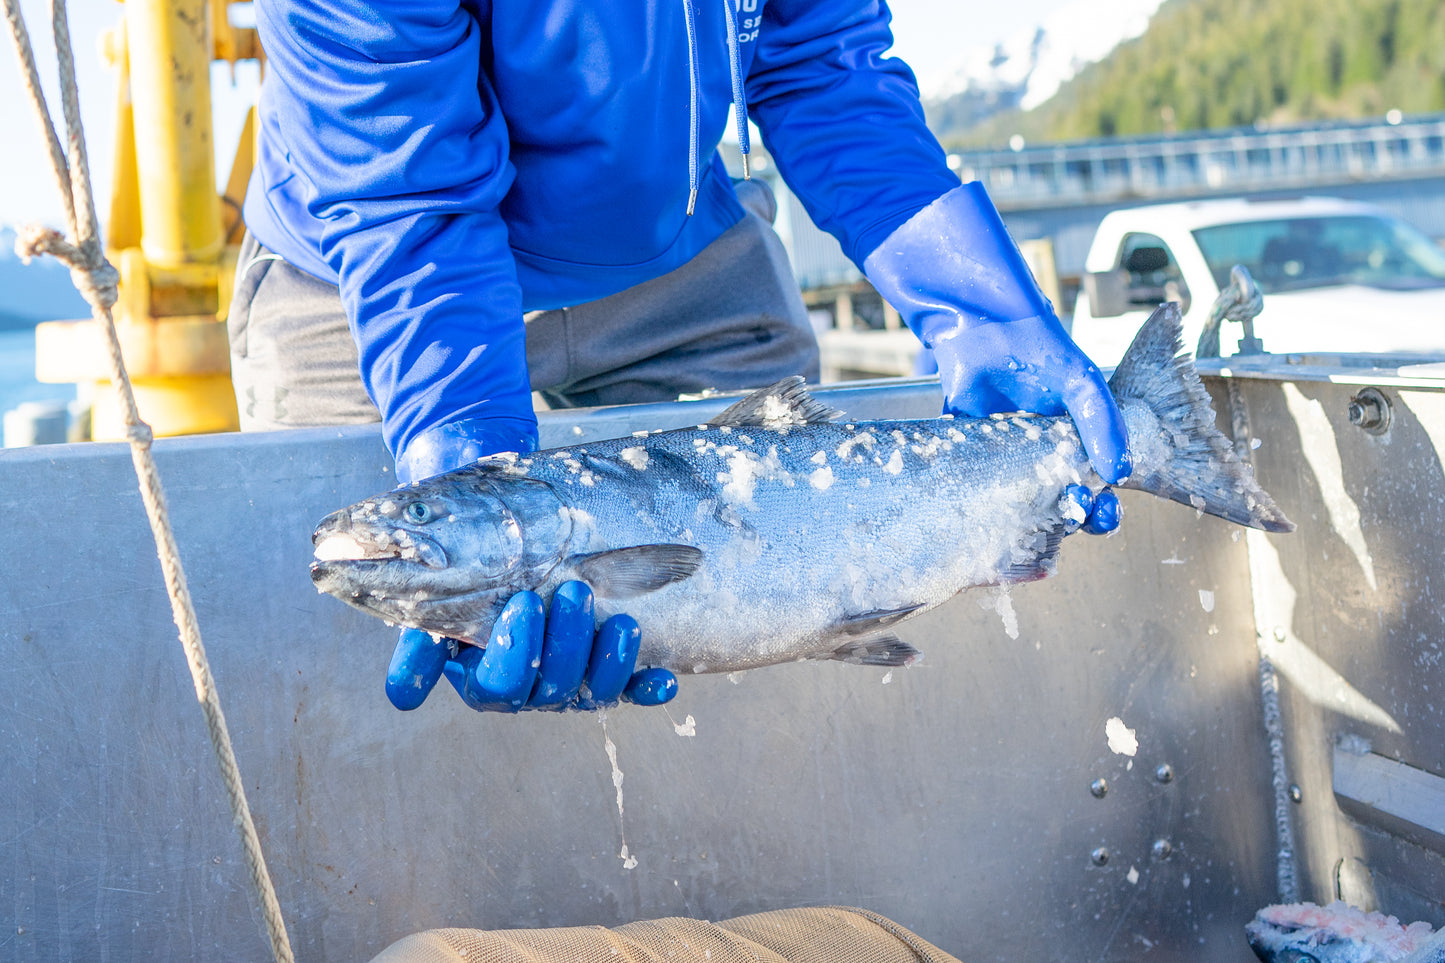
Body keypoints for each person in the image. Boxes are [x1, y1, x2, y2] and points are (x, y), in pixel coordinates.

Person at [229, 0, 1130, 714]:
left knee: (768, 641)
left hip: (679, 257)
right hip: (373, 282)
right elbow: (411, 203)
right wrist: (474, 501)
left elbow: (819, 63)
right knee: (365, 698)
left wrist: (977, 303)